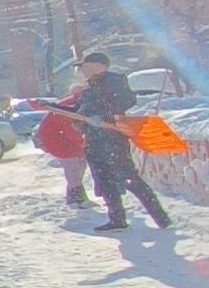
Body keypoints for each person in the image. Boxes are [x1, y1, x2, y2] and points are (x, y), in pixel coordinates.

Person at [73, 51, 170, 233]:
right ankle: (117, 219)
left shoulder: (113, 82)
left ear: (98, 66)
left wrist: (103, 116)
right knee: (105, 182)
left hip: (111, 140)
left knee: (130, 179)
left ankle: (162, 219)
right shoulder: (89, 89)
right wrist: (55, 109)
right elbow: (78, 111)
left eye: (85, 66)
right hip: (94, 141)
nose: (83, 71)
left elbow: (125, 101)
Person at [55, 83, 93, 207]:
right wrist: (81, 145)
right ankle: (76, 200)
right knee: (74, 171)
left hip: (61, 139)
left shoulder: (74, 102)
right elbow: (72, 129)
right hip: (60, 141)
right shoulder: (73, 105)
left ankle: (77, 198)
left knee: (76, 169)